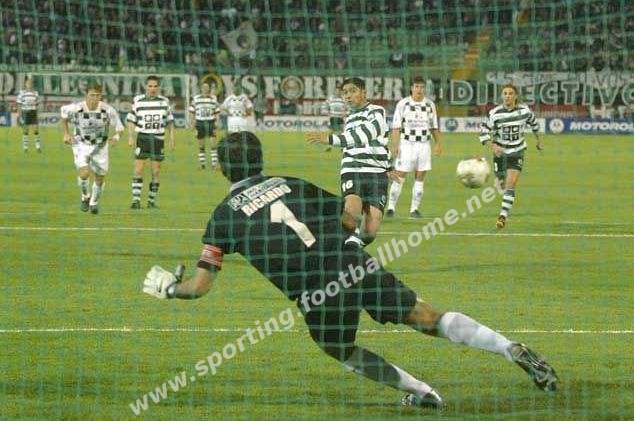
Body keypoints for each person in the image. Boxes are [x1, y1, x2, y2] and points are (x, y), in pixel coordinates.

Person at [142, 131, 559, 409]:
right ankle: (509, 347)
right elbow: (348, 218)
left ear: (222, 168)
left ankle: (423, 393)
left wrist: (170, 288)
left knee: (339, 349)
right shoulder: (291, 182)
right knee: (426, 315)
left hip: (316, 293)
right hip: (351, 263)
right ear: (260, 159)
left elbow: (200, 286)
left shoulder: (223, 217)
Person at [308, 77, 391, 250]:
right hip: (352, 170)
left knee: (369, 232)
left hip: (377, 174)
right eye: (345, 92)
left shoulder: (376, 111)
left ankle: (351, 247)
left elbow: (369, 134)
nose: (347, 95)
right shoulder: (350, 118)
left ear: (364, 92)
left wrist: (389, 166)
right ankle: (335, 248)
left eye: (352, 91)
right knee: (351, 212)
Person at [479, 83, 543, 229]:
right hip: (500, 153)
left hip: (517, 151)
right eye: (505, 93)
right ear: (502, 96)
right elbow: (483, 133)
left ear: (515, 96)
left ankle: (502, 216)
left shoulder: (524, 111)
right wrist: (493, 147)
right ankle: (500, 183)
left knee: (511, 184)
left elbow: (534, 125)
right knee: (501, 185)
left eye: (510, 93)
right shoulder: (494, 113)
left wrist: (539, 141)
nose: (507, 96)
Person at [61, 83, 124, 214]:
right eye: (92, 95)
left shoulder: (108, 110)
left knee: (100, 178)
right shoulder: (77, 108)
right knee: (84, 173)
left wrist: (116, 137)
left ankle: (94, 202)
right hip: (81, 144)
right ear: (86, 95)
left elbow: (120, 128)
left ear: (101, 96)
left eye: (97, 95)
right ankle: (85, 197)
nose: (94, 98)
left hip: (100, 147)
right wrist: (66, 133)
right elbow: (63, 115)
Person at [386, 76, 442, 218]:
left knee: (420, 176)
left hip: (424, 145)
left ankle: (414, 209)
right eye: (416, 86)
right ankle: (391, 207)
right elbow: (396, 127)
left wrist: (438, 144)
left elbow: (434, 126)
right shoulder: (403, 104)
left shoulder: (430, 105)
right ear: (411, 88)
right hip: (407, 144)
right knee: (399, 176)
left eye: (422, 87)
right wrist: (395, 145)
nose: (419, 89)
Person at [127, 75, 175, 209]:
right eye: (150, 86)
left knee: (156, 171)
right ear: (145, 87)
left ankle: (151, 201)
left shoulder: (164, 102)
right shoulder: (138, 101)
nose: (152, 89)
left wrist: (172, 138)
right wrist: (131, 137)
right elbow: (131, 120)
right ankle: (136, 200)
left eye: (155, 86)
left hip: (158, 139)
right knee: (138, 169)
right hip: (143, 138)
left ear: (159, 87)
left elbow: (170, 122)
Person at [189, 82, 221, 170]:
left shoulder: (213, 98)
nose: (205, 89)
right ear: (201, 89)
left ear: (209, 88)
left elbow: (217, 111)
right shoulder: (196, 99)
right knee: (201, 145)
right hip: (200, 123)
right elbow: (191, 111)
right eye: (204, 87)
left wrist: (217, 121)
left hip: (211, 122)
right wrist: (192, 123)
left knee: (213, 144)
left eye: (207, 87)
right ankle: (202, 164)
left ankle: (214, 165)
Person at [16, 78, 41, 153]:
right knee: (25, 130)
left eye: (30, 83)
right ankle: (25, 148)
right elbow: (19, 104)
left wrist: (38, 114)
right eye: (28, 83)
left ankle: (38, 147)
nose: (29, 84)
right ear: (25, 84)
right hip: (25, 112)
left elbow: (37, 105)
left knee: (36, 130)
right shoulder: (22, 93)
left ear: (32, 84)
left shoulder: (35, 93)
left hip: (33, 112)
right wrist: (19, 115)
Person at [321, 84, 348, 152]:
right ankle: (329, 146)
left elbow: (348, 107)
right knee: (331, 132)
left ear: (341, 92)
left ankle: (342, 147)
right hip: (333, 117)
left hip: (340, 118)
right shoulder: (331, 98)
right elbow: (324, 106)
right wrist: (328, 113)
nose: (337, 92)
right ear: (335, 91)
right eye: (336, 91)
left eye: (339, 91)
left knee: (341, 133)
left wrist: (345, 113)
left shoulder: (343, 99)